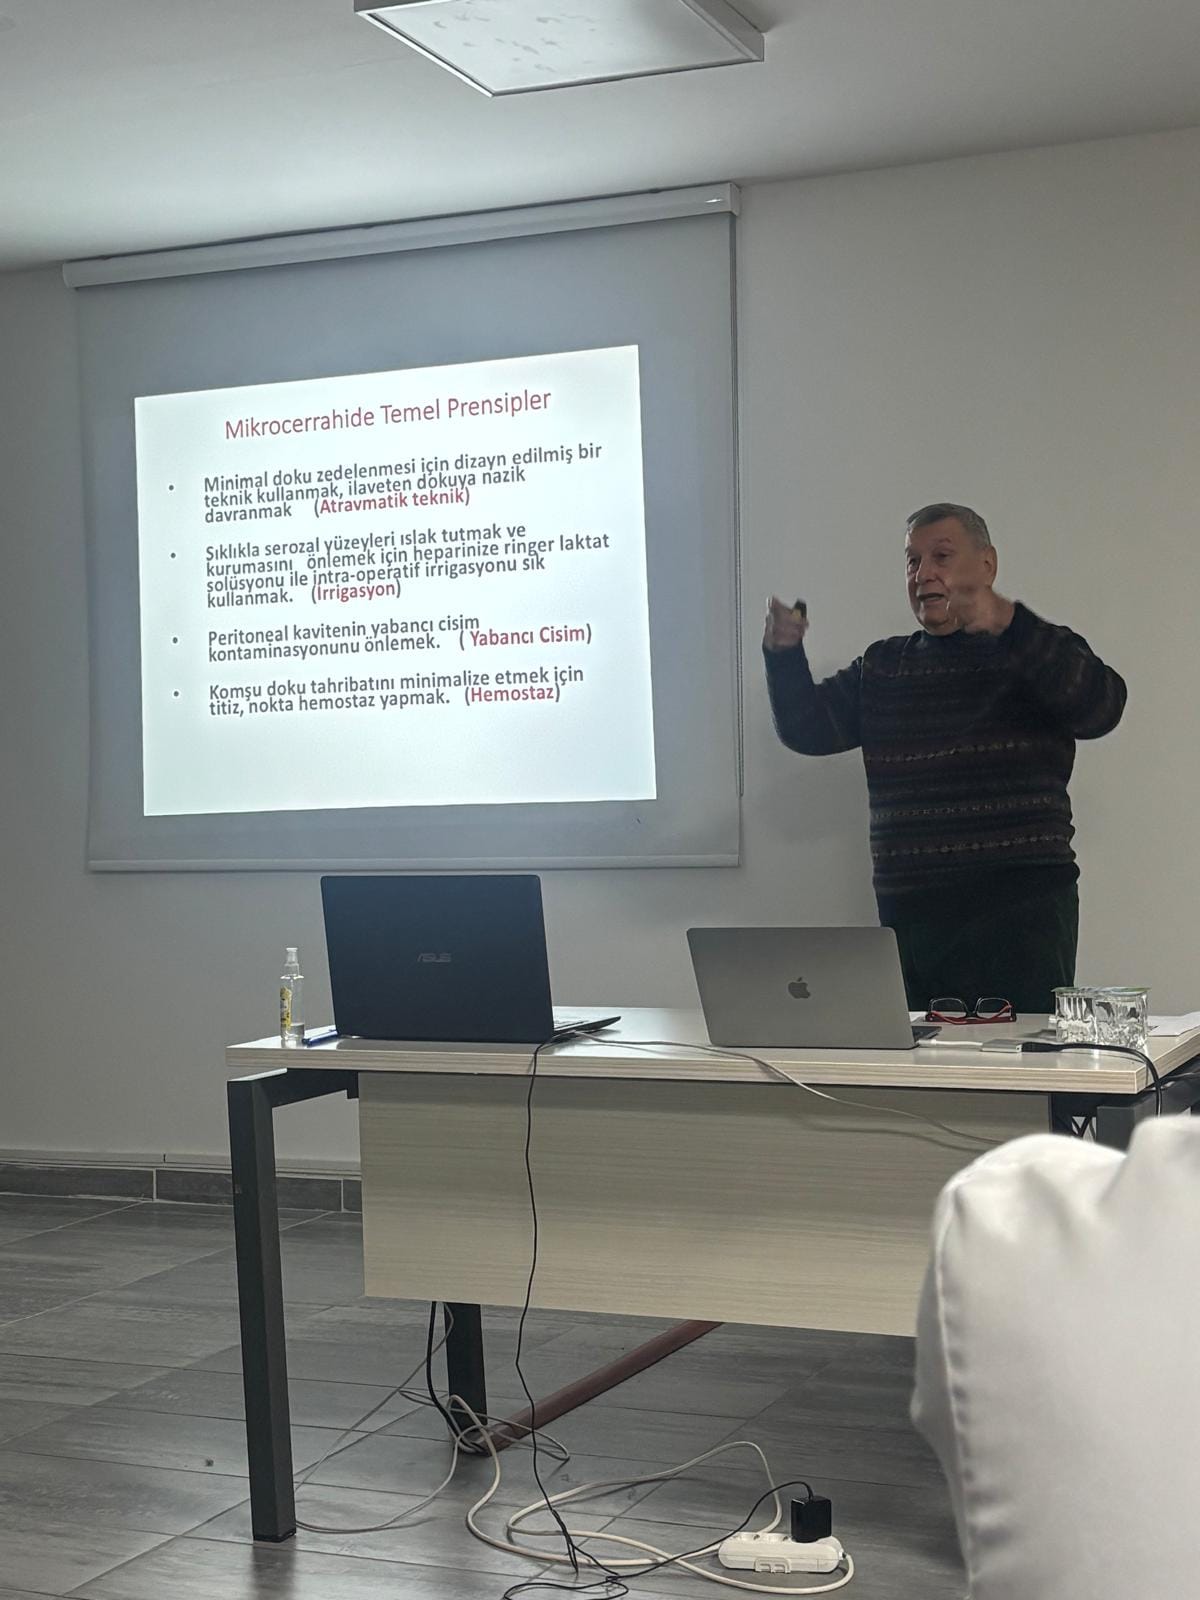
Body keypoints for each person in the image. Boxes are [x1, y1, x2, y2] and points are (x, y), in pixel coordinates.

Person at [762, 503, 1126, 1016]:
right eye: (912, 561)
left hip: (1021, 909)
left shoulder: (1034, 649)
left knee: (1020, 1059)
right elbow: (807, 728)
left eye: (942, 556)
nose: (923, 574)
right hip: (913, 916)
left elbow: (1102, 707)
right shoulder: (884, 665)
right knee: (922, 1063)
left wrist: (1010, 622)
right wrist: (783, 655)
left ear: (987, 565)